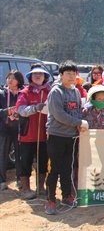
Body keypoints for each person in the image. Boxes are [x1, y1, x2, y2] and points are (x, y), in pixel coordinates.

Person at [44, 61, 89, 215]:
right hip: (56, 135)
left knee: (67, 168)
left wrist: (79, 123)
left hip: (71, 137)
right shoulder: (56, 92)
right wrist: (78, 122)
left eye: (73, 74)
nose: (71, 77)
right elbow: (59, 115)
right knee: (53, 168)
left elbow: (76, 111)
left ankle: (66, 196)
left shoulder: (75, 91)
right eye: (68, 74)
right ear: (61, 75)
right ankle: (50, 200)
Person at [16, 65, 50, 200]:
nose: (38, 76)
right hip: (28, 134)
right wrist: (35, 108)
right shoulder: (25, 92)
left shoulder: (50, 91)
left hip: (44, 133)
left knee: (43, 161)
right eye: (35, 74)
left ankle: (40, 187)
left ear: (45, 77)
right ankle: (25, 189)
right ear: (30, 77)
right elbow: (21, 110)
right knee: (26, 161)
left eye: (41, 74)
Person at [0, 70, 24, 191]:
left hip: (19, 128)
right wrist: (6, 111)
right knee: (3, 155)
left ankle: (20, 179)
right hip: (4, 129)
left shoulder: (23, 93)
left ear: (19, 80)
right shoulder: (1, 94)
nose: (10, 80)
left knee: (20, 155)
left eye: (13, 78)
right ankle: (2, 181)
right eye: (8, 78)